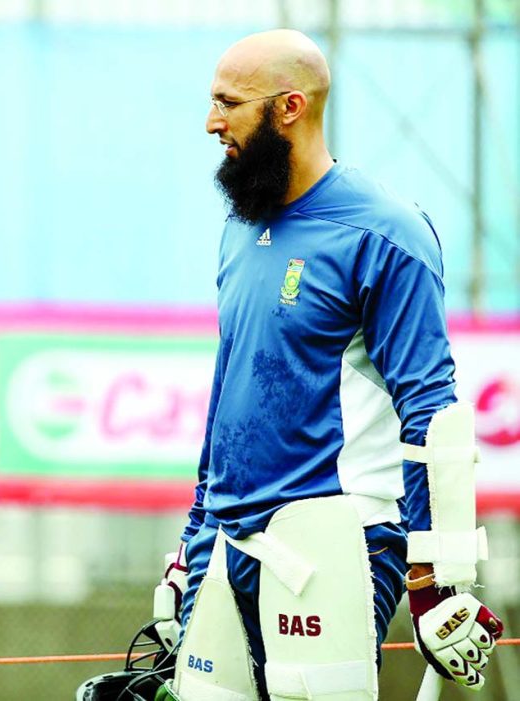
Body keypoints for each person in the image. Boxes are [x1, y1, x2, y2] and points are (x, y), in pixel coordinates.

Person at [159, 30, 504, 700]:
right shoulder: (239, 223)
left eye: (227, 103)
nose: (210, 122)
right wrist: (189, 551)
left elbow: (430, 409)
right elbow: (228, 402)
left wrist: (436, 577)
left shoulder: (386, 232)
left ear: (288, 107)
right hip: (226, 547)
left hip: (334, 545)